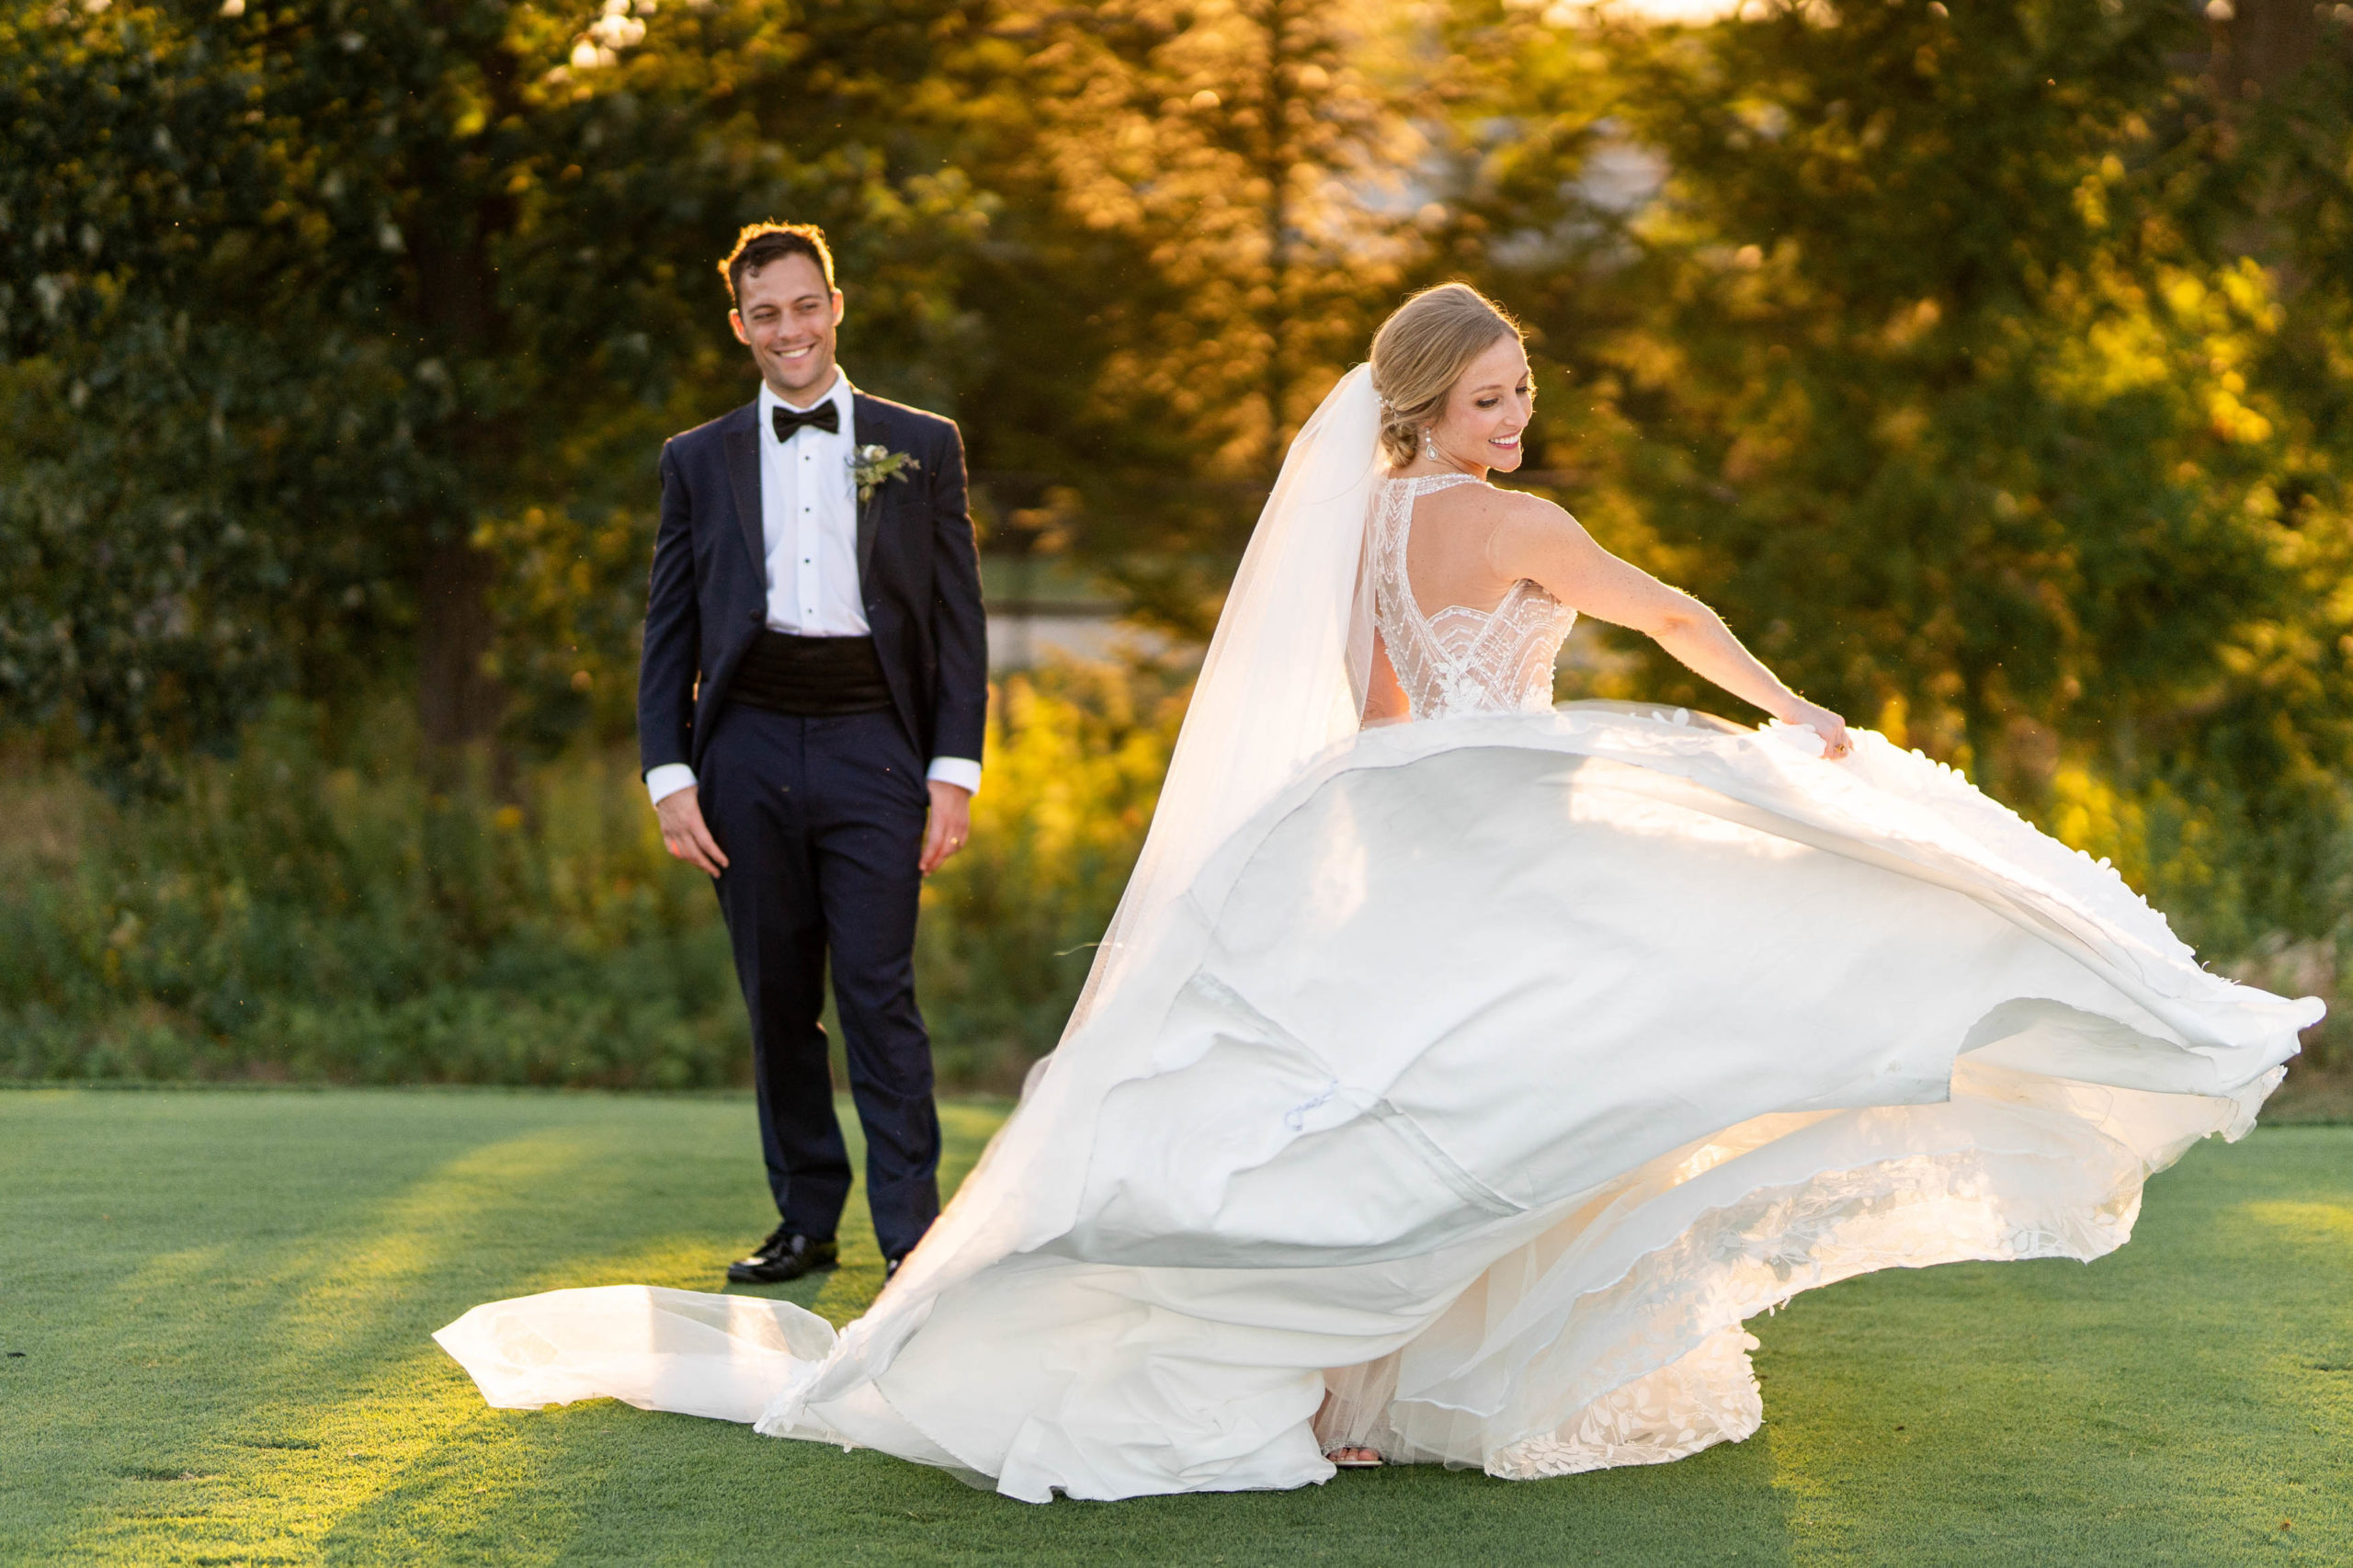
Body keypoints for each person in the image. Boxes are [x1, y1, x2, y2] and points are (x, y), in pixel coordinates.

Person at [439, 283, 2317, 1500]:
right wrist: (1786, 705)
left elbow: (1347, 702)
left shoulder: (1363, 523)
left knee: (1409, 1112)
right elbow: (1659, 613)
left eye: (1521, 399)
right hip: (1489, 824)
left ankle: (1348, 1395)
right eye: (1494, 398)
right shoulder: (1515, 524)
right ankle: (1364, 1390)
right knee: (1529, 1082)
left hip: (1394, 814)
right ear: (1428, 404)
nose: (1517, 422)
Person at [634, 222, 986, 1285]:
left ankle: (910, 1236)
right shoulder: (696, 460)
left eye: (804, 304)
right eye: (765, 312)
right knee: (778, 994)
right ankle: (804, 1220)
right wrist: (669, 772)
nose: (788, 328)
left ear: (837, 305)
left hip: (875, 744)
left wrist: (952, 769)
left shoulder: (919, 444)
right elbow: (671, 626)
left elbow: (960, 621)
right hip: (740, 750)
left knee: (878, 991)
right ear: (739, 325)